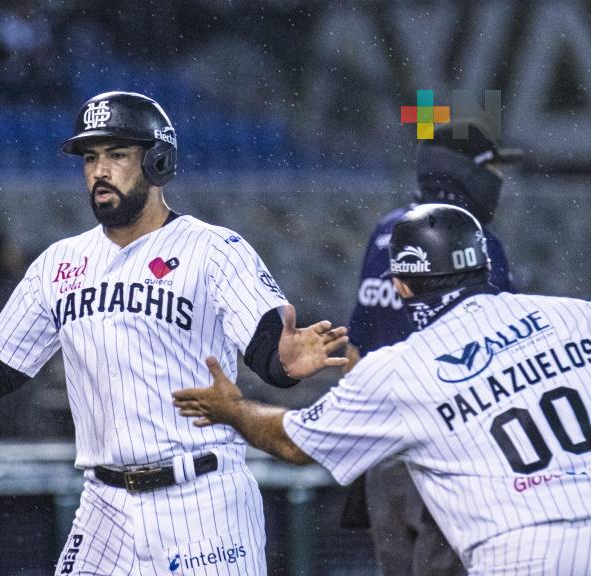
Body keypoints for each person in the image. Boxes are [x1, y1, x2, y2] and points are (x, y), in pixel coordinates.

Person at [0, 91, 348, 574]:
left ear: (157, 161)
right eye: (91, 158)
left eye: (117, 154)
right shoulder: (60, 262)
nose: (100, 170)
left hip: (201, 498)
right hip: (104, 505)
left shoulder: (212, 249)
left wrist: (283, 362)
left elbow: (266, 347)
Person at [174, 204, 591, 575]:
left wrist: (233, 409)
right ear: (485, 263)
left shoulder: (401, 370)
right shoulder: (574, 315)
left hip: (517, 551)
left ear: (401, 286)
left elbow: (296, 444)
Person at [342, 119, 522, 575]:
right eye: (493, 169)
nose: (499, 181)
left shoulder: (387, 230)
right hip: (452, 450)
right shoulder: (477, 245)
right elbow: (506, 357)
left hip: (385, 446)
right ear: (465, 170)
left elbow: (356, 353)